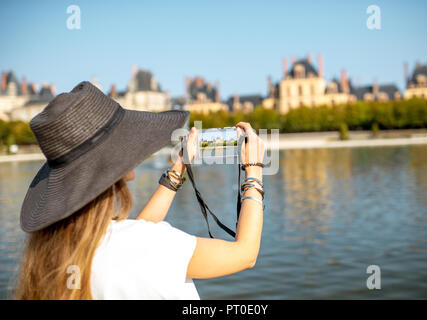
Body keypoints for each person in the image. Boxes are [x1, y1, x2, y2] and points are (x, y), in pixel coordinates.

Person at [15, 81, 265, 300]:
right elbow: (245, 255)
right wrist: (253, 169)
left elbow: (137, 236)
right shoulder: (148, 246)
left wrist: (178, 170)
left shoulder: (54, 252)